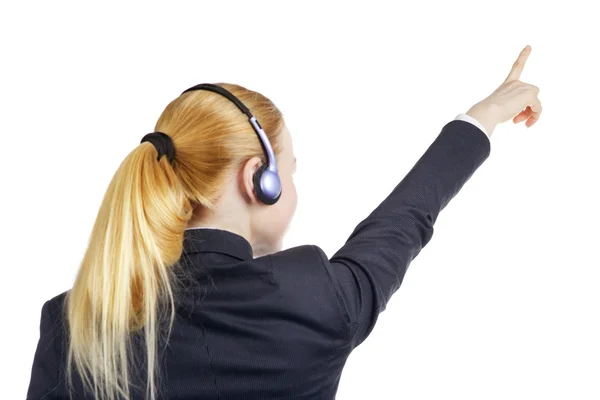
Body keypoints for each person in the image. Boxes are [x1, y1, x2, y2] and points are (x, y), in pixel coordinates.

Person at [26, 45, 542, 400]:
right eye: (290, 170)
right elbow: (404, 220)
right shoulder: (314, 298)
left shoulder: (71, 323)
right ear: (260, 179)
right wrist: (484, 117)